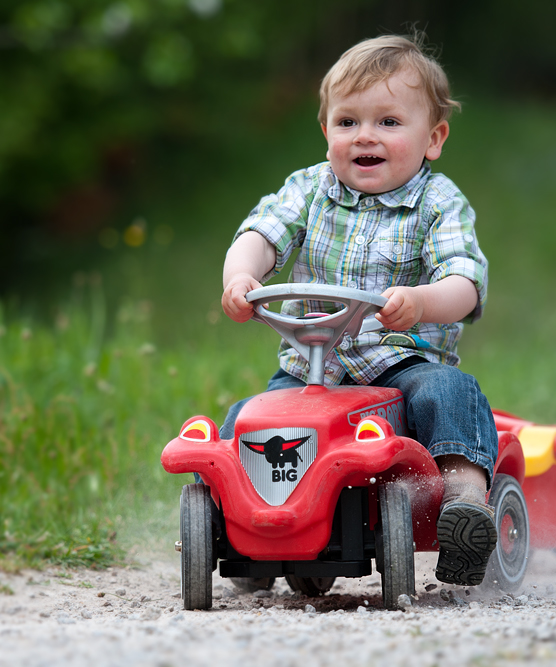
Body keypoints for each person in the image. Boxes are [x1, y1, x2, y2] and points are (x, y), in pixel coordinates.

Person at [220, 33, 498, 586]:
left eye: (389, 123)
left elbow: (465, 282)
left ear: (433, 138)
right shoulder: (309, 189)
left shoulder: (437, 202)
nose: (365, 136)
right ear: (326, 132)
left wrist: (421, 302)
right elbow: (262, 234)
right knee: (247, 420)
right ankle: (247, 527)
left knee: (448, 392)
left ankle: (464, 500)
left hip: (401, 364)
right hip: (311, 369)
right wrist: (241, 275)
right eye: (347, 122)